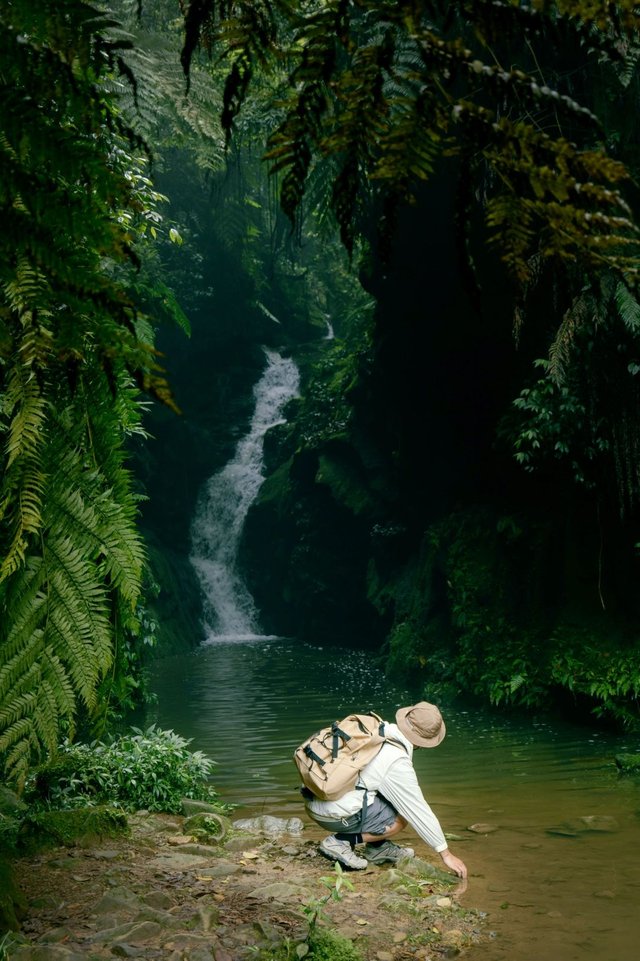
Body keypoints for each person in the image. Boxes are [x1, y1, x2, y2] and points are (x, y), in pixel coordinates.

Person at [303, 701, 468, 877]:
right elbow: (418, 809)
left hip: (316, 798)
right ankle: (341, 841)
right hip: (333, 814)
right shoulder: (396, 761)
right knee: (401, 817)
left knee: (388, 796)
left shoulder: (378, 730)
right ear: (424, 740)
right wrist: (446, 853)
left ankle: (378, 848)